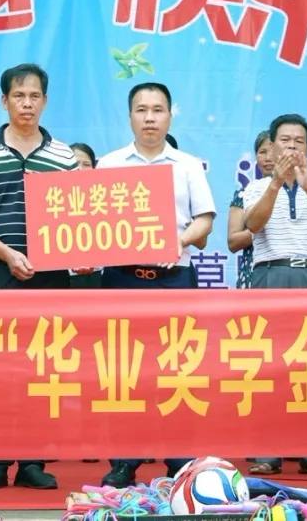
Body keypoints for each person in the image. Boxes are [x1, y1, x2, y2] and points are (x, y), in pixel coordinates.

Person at [0, 64, 78, 490]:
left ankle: (32, 461)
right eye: (19, 96)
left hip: (50, 275)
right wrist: (6, 254)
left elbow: (75, 220)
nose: (27, 104)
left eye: (34, 96)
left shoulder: (63, 156)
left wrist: (82, 258)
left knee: (43, 369)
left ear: (45, 101)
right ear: (4, 100)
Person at [96, 82, 216, 487]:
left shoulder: (187, 165)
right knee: (123, 371)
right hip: (122, 280)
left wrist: (178, 240)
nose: (150, 118)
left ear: (170, 115)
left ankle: (179, 458)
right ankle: (123, 461)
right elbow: (93, 225)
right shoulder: (109, 165)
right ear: (130, 115)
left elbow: (204, 219)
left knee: (178, 368)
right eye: (142, 110)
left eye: (158, 110)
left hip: (174, 279)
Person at [242, 113, 307, 477]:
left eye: (299, 142)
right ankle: (268, 451)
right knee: (269, 364)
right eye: (285, 141)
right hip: (270, 274)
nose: (292, 147)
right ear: (272, 145)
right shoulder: (255, 188)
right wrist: (275, 184)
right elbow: (253, 225)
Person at [228, 132, 275, 289]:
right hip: (254, 273)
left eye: (274, 152)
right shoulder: (245, 193)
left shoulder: (301, 192)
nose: (268, 158)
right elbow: (233, 242)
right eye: (262, 152)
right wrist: (262, 225)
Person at [68, 143, 103, 288]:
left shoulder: (104, 201)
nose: (80, 169)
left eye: (86, 164)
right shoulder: (53, 200)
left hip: (97, 276)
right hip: (62, 278)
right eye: (75, 164)